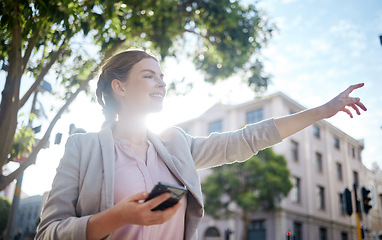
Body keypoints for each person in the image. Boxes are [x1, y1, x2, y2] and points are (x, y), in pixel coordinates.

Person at [35, 49, 367, 240]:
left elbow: (246, 139)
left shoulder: (175, 144)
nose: (162, 82)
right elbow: (48, 233)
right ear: (118, 87)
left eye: (162, 76)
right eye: (149, 75)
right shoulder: (83, 149)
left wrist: (323, 111)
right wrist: (116, 217)